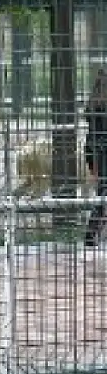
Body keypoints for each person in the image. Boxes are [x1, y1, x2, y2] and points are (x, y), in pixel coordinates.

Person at [86, 69, 107, 246]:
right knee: (103, 194)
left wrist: (92, 163)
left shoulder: (93, 106)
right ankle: (91, 235)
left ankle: (92, 234)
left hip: (97, 153)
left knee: (102, 193)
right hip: (102, 152)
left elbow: (89, 139)